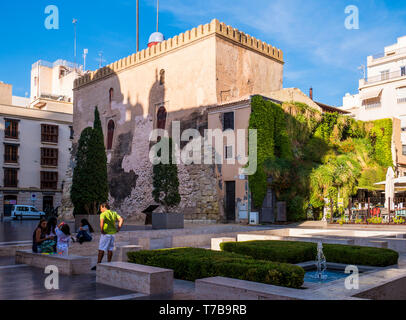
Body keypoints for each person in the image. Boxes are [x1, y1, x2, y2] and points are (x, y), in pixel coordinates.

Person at [91, 202, 124, 270]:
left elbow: (101, 222)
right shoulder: (114, 213)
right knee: (110, 249)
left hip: (106, 234)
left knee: (101, 249)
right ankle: (109, 263)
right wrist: (118, 228)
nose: (100, 210)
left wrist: (102, 230)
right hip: (112, 234)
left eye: (100, 208)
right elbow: (121, 219)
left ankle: (98, 264)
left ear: (104, 207)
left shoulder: (103, 214)